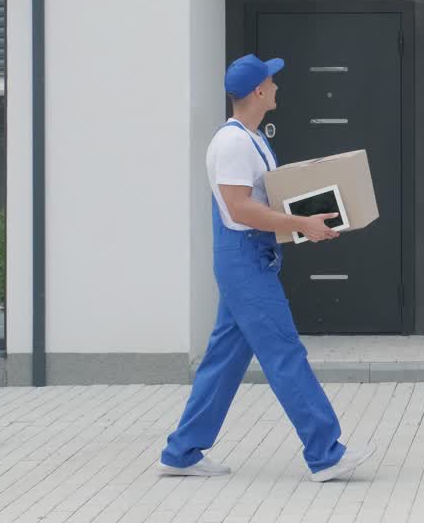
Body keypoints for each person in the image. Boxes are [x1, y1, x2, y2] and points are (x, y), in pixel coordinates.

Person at [157, 53, 376, 482]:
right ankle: (325, 453)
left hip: (249, 256)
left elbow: (265, 198)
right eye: (272, 81)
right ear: (258, 90)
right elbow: (240, 209)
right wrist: (301, 225)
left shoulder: (250, 138)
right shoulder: (234, 143)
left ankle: (181, 451)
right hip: (244, 260)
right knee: (283, 352)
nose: (277, 86)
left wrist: (310, 215)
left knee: (223, 360)